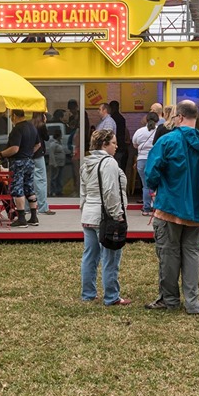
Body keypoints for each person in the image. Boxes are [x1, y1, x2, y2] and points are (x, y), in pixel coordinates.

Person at [144, 101, 199, 314]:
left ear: (178, 117)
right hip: (196, 210)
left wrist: (156, 187)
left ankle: (169, 299)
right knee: (191, 254)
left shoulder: (168, 141)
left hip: (169, 207)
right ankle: (193, 302)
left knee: (168, 255)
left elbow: (151, 173)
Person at [79, 129, 130, 306]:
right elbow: (110, 191)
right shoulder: (109, 163)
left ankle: (88, 293)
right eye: (114, 143)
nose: (117, 146)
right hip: (105, 216)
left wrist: (83, 210)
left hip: (89, 215)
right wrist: (117, 215)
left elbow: (83, 192)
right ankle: (111, 296)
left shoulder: (86, 164)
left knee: (90, 256)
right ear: (104, 144)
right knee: (111, 257)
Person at [0, 109, 40, 227]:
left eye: (11, 116)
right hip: (29, 161)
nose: (11, 119)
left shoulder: (17, 129)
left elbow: (14, 149)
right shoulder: (32, 127)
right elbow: (38, 145)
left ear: (15, 116)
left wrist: (0, 154)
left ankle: (21, 218)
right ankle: (34, 217)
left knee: (18, 189)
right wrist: (28, 153)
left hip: (18, 162)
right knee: (29, 188)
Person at [132, 111, 159, 215]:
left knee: (145, 185)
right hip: (154, 159)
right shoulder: (158, 131)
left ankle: (146, 208)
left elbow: (134, 144)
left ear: (146, 120)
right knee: (156, 185)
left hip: (141, 160)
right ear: (157, 121)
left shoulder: (139, 131)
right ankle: (156, 207)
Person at [30, 112, 54, 215]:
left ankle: (28, 207)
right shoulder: (41, 125)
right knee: (41, 181)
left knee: (29, 181)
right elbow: (46, 137)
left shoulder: (29, 125)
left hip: (30, 155)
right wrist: (44, 122)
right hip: (39, 154)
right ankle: (43, 207)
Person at [108, 100, 129, 172]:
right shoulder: (121, 118)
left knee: (115, 165)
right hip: (121, 144)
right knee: (119, 164)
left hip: (116, 145)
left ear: (111, 108)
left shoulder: (111, 119)